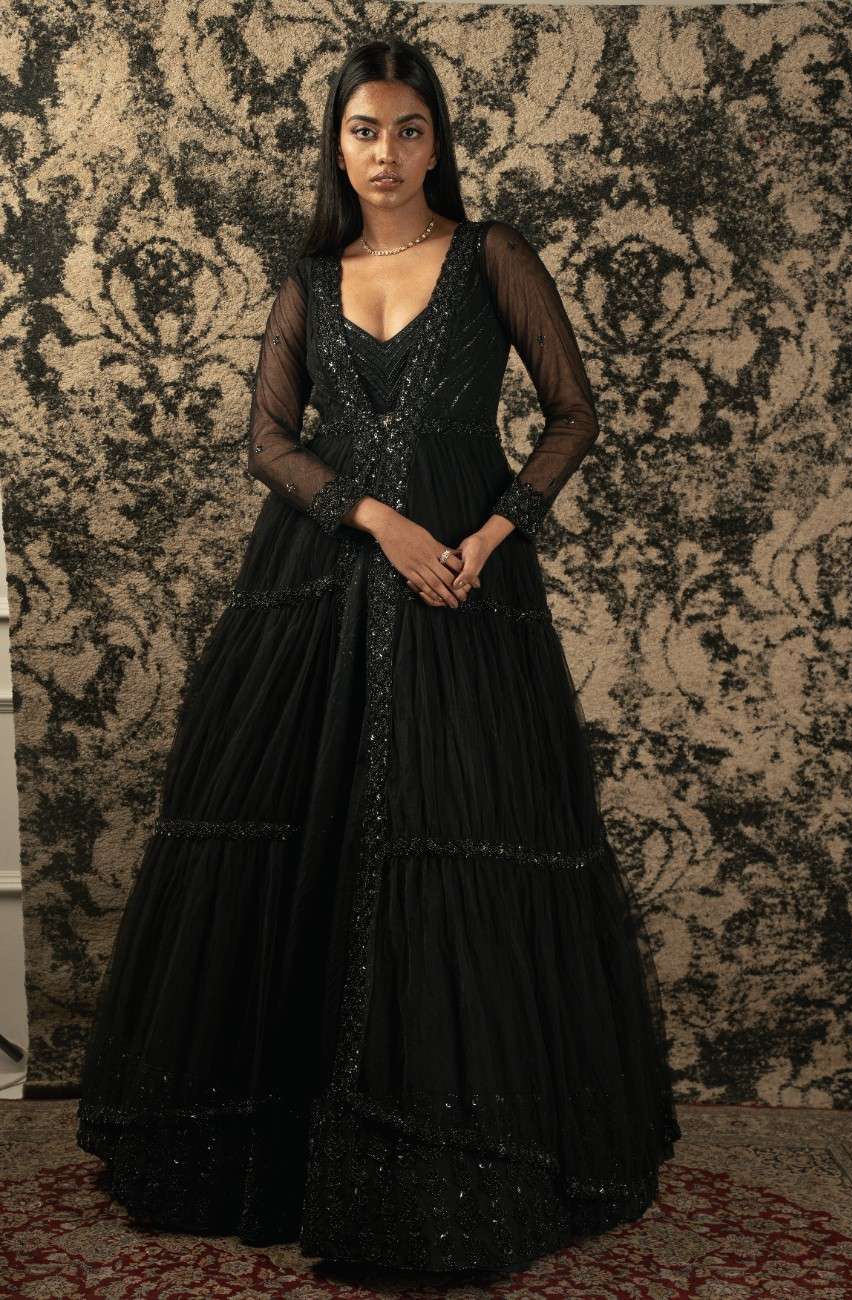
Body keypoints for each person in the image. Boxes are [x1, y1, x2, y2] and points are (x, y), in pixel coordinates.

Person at [75, 35, 681, 1281]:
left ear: (438, 140)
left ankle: (459, 1144)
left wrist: (491, 536)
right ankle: (294, 1149)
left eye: (410, 129)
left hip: (466, 587)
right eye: (365, 131)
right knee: (310, 836)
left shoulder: (493, 255)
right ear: (337, 145)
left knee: (454, 839)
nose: (388, 153)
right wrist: (375, 519)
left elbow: (574, 412)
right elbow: (268, 442)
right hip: (323, 587)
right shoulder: (310, 279)